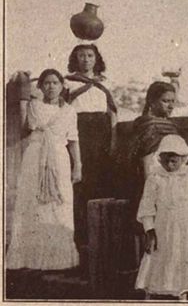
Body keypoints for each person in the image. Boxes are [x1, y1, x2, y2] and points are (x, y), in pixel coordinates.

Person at [6, 69, 81, 270]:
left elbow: (73, 140)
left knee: (59, 203)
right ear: (40, 87)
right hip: (35, 156)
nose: (50, 86)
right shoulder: (33, 106)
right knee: (32, 202)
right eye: (46, 83)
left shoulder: (69, 111)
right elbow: (25, 129)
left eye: (55, 83)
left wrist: (78, 167)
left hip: (59, 158)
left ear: (62, 85)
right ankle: (29, 257)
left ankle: (58, 259)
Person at [135, 134, 188, 300]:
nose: (169, 165)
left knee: (183, 259)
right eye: (165, 161)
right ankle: (152, 295)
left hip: (185, 228)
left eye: (174, 161)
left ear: (183, 159)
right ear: (160, 159)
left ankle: (181, 295)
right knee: (157, 259)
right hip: (163, 228)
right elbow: (147, 208)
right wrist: (150, 233)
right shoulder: (155, 178)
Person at [65, 44, 117, 262]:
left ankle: (103, 240)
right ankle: (82, 241)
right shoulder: (68, 81)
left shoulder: (105, 83)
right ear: (75, 59)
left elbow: (112, 114)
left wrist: (113, 141)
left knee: (102, 183)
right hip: (80, 134)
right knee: (81, 184)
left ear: (96, 59)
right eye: (81, 56)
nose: (85, 60)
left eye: (89, 56)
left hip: (102, 135)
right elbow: (65, 111)